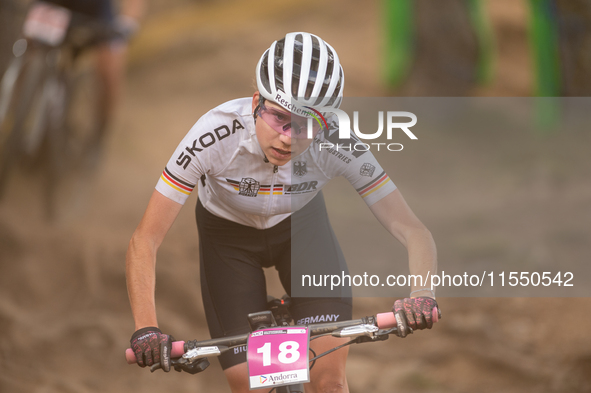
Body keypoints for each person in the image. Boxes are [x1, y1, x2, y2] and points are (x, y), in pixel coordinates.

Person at [126, 32, 439, 393]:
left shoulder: (336, 140)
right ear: (257, 101)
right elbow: (145, 239)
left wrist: (423, 292)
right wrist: (146, 327)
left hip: (303, 234)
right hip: (228, 243)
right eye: (278, 118)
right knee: (252, 387)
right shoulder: (214, 134)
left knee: (330, 383)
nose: (289, 137)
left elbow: (414, 230)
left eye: (306, 124)